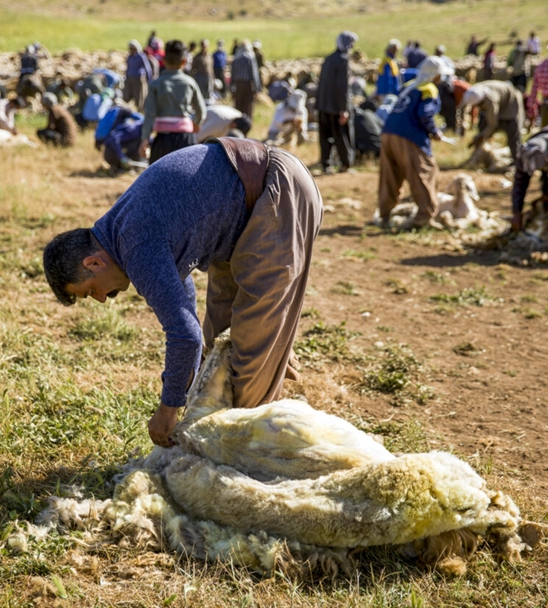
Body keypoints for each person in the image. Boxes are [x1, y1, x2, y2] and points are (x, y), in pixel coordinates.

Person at [42, 138, 323, 447]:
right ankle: (240, 415)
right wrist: (187, 385)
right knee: (218, 350)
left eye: (89, 291)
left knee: (249, 362)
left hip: (276, 191)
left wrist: (168, 410)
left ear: (93, 263)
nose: (99, 298)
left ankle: (248, 453)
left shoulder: (136, 248)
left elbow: (184, 335)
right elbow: (186, 315)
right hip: (244, 210)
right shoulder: (121, 231)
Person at [378, 56, 453, 228]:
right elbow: (424, 114)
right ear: (435, 75)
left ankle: (384, 214)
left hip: (388, 132)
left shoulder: (409, 86)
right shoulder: (428, 89)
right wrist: (434, 132)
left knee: (390, 175)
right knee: (425, 172)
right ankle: (424, 216)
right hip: (409, 135)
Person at [140, 39, 205, 165]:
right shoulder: (189, 82)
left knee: (159, 175)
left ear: (163, 61)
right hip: (186, 139)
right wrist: (196, 123)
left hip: (162, 140)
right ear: (184, 61)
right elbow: (201, 111)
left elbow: (149, 114)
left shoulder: (156, 84)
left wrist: (145, 139)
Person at [316, 31, 357, 173]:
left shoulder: (328, 59)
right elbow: (342, 87)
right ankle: (346, 164)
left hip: (323, 105)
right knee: (342, 137)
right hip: (336, 107)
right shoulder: (343, 60)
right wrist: (343, 109)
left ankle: (326, 165)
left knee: (325, 137)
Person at [459, 81, 524, 161]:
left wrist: (481, 136)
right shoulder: (470, 93)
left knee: (512, 131)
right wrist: (463, 123)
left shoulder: (490, 102)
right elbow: (462, 108)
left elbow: (492, 124)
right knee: (482, 125)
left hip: (512, 101)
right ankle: (479, 157)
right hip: (500, 98)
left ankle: (518, 161)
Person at [98, 107, 145, 173]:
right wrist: (122, 157)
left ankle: (123, 168)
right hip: (110, 154)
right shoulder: (134, 130)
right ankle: (117, 166)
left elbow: (151, 140)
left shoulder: (141, 131)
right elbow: (114, 139)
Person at [230, 40, 261, 120]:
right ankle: (247, 122)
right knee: (248, 105)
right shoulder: (250, 57)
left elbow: (233, 74)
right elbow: (254, 73)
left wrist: (231, 88)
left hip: (238, 85)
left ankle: (238, 122)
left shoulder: (236, 58)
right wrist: (257, 88)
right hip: (247, 84)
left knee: (238, 105)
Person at [124, 40, 153, 111]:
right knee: (127, 94)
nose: (131, 50)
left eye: (132, 48)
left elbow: (147, 68)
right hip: (130, 77)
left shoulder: (141, 56)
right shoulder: (130, 57)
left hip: (138, 78)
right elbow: (128, 67)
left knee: (139, 95)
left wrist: (149, 79)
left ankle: (139, 109)